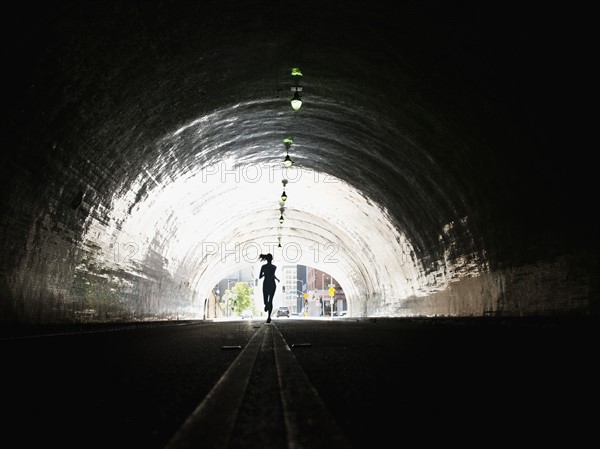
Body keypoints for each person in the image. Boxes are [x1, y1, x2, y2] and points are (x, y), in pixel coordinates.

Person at [258, 253, 279, 323]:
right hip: (272, 284)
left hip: (266, 283)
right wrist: (276, 279)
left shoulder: (263, 267)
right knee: (270, 301)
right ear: (272, 259)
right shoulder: (274, 267)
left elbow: (260, 276)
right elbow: (273, 275)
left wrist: (264, 274)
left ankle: (268, 316)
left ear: (266, 259)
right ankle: (268, 316)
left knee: (266, 300)